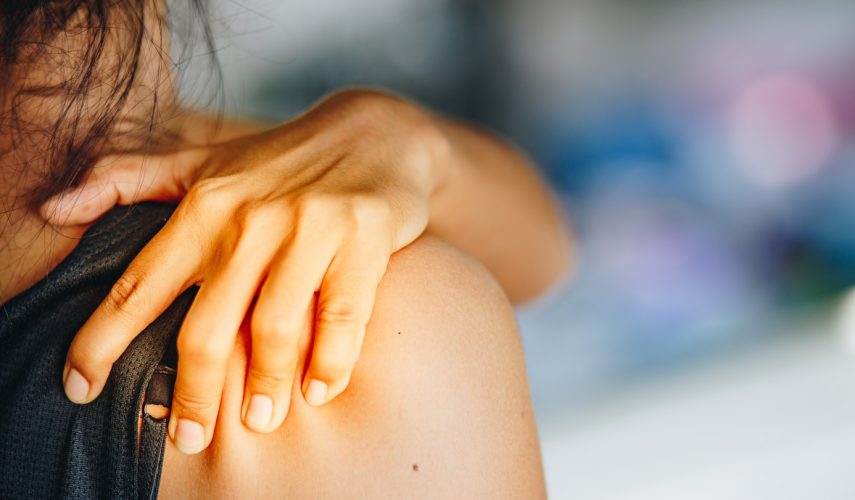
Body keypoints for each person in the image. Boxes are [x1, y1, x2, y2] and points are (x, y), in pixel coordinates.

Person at [0, 0, 570, 497]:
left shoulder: (130, 147)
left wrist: (402, 135)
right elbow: (549, 261)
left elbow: (544, 247)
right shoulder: (385, 336)